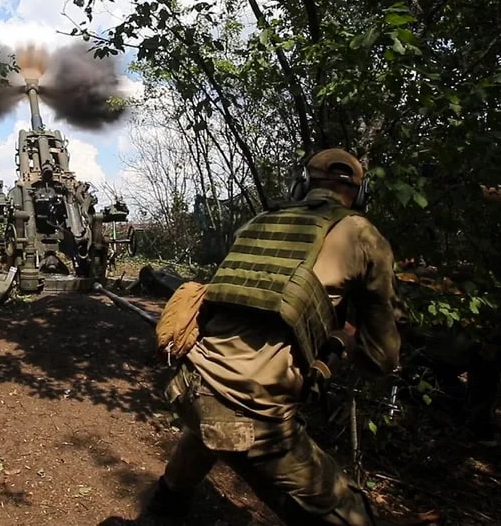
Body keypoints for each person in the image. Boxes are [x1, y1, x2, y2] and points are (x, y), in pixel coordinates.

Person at [109, 148, 402, 526]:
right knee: (352, 514)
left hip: (189, 383)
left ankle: (161, 513)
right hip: (252, 409)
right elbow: (381, 359)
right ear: (360, 196)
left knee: (210, 422)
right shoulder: (363, 236)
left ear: (302, 185)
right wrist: (342, 343)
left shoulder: (260, 222)